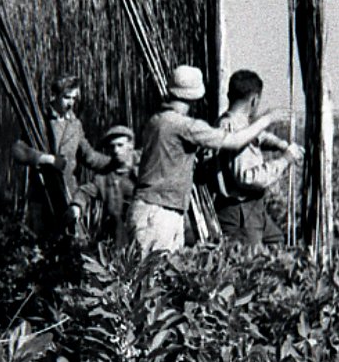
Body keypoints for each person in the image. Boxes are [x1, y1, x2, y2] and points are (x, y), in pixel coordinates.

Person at [129, 65, 281, 253]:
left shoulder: (157, 121)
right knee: (155, 268)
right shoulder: (185, 126)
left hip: (148, 207)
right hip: (160, 213)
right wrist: (267, 120)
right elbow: (234, 141)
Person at [11, 75, 114, 239]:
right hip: (42, 194)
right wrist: (48, 159)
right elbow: (18, 150)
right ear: (55, 95)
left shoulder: (75, 124)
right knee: (41, 244)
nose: (71, 103)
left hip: (68, 196)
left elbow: (89, 156)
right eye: (67, 97)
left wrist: (115, 163)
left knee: (70, 244)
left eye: (74, 98)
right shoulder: (39, 121)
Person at [213, 69, 304, 247]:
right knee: (250, 258)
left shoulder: (228, 122)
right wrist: (285, 160)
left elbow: (257, 136)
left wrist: (280, 145)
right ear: (254, 100)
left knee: (275, 240)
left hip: (249, 208)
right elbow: (247, 177)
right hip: (240, 210)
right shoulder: (234, 127)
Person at [73, 125, 138, 249]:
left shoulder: (146, 167)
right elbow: (85, 191)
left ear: (131, 145)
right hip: (118, 235)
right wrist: (76, 205)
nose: (116, 150)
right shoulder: (104, 177)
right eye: (112, 146)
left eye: (120, 145)